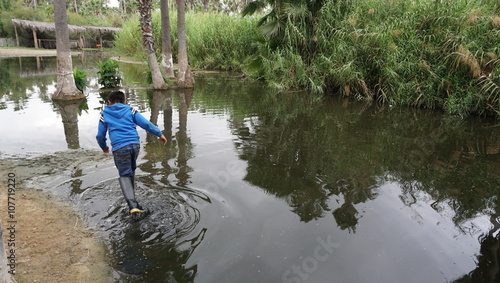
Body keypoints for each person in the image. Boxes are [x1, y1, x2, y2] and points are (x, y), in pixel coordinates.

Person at [96, 90, 167, 214]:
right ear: (125, 101)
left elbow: (99, 135)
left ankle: (132, 204)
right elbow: (146, 124)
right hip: (135, 145)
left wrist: (104, 147)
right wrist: (159, 134)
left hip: (120, 148)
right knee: (131, 169)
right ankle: (133, 199)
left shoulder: (105, 113)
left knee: (124, 174)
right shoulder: (130, 110)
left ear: (108, 102)